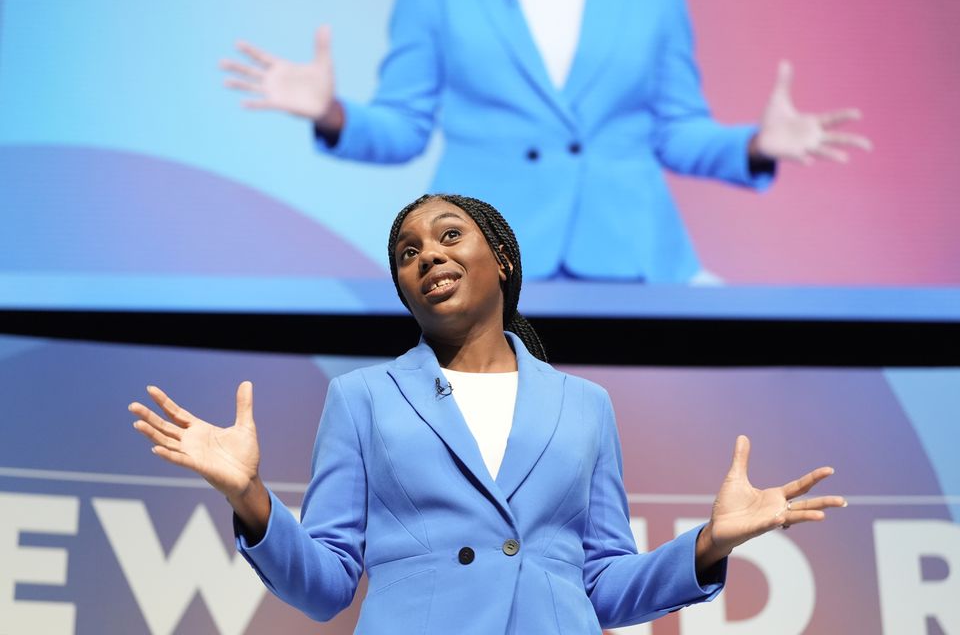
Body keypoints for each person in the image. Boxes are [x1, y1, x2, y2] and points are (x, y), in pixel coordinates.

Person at [129, 193, 846, 633]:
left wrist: (708, 544)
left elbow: (603, 587)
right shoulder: (364, 398)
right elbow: (325, 587)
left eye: (448, 235)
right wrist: (251, 499)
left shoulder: (585, 407)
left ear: (500, 258)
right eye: (407, 253)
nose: (427, 256)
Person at [220, 0, 871, 283]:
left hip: (634, 256)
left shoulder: (653, 0)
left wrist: (755, 145)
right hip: (487, 260)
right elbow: (402, 128)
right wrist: (331, 113)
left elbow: (677, 131)